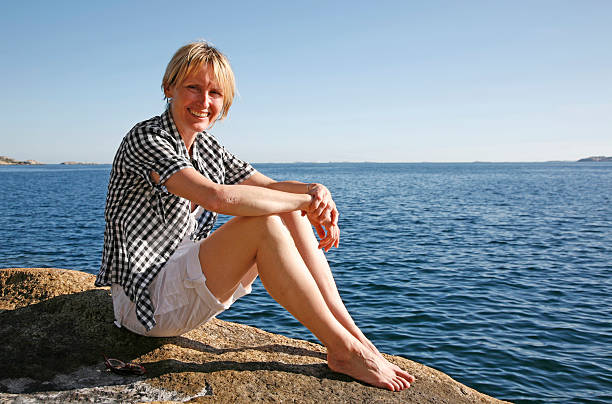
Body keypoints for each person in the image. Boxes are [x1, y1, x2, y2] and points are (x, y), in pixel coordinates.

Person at [95, 40, 415, 391]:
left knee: (283, 205)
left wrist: (313, 190)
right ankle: (343, 350)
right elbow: (215, 197)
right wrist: (300, 202)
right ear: (169, 88)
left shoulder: (205, 147)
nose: (204, 102)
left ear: (225, 102)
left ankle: (353, 336)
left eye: (214, 92)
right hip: (143, 303)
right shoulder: (148, 138)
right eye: (193, 88)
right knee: (268, 219)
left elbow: (271, 187)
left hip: (178, 284)